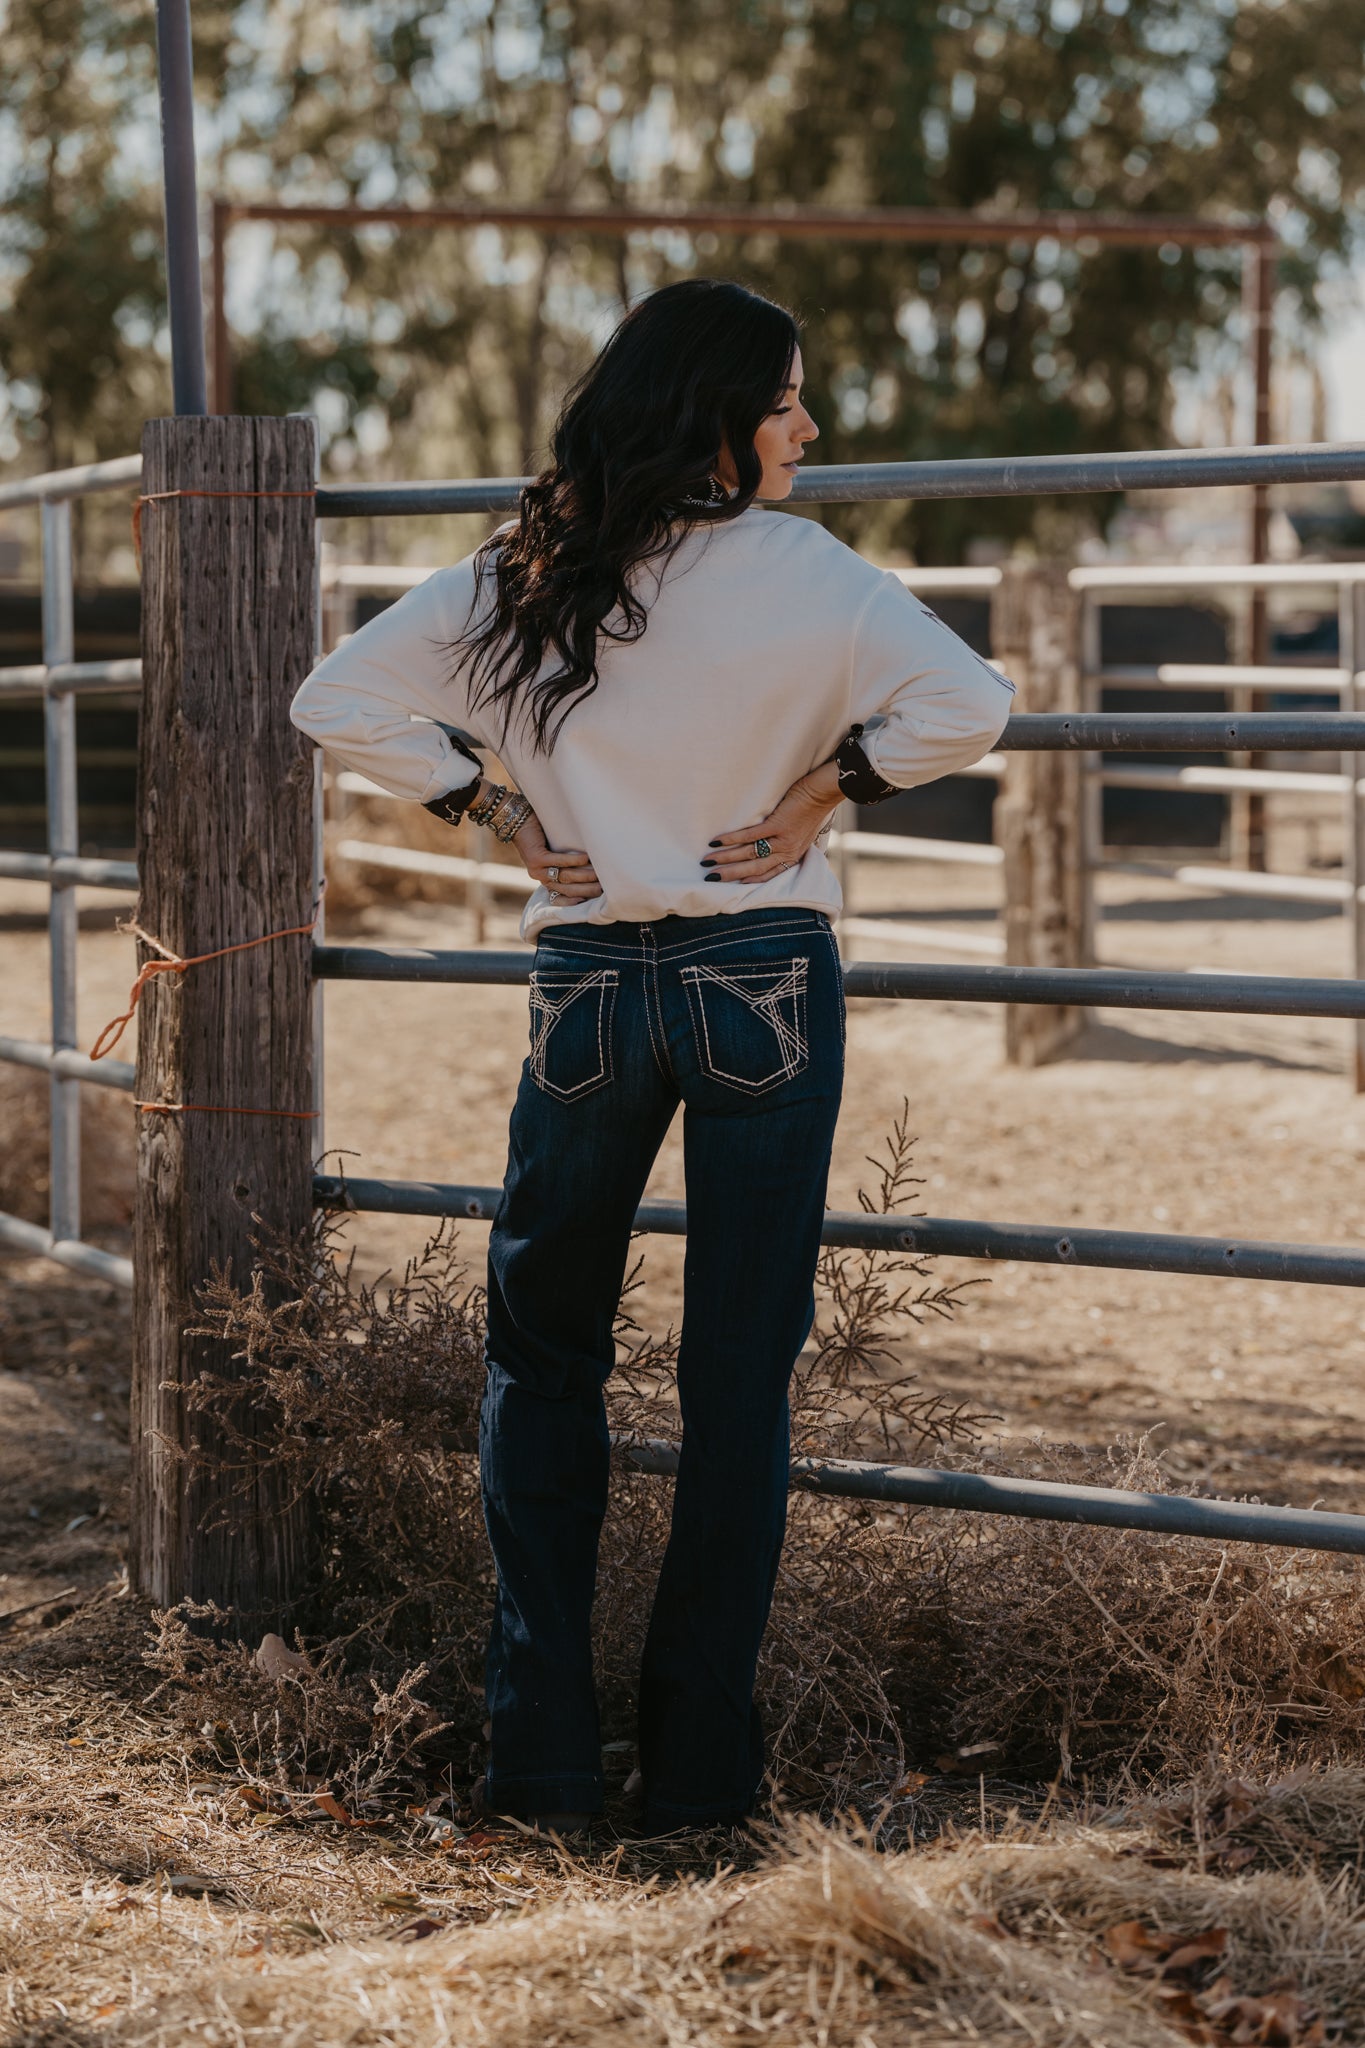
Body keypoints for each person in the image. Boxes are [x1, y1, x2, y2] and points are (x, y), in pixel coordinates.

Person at [290, 277, 1013, 1837]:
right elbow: (973, 699)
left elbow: (330, 698)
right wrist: (825, 797)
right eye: (786, 402)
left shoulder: (531, 567)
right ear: (717, 419)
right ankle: (700, 1777)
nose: (807, 427)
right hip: (760, 975)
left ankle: (538, 1761)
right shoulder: (809, 573)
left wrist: (497, 816)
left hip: (587, 983)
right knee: (736, 1381)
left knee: (539, 1363)